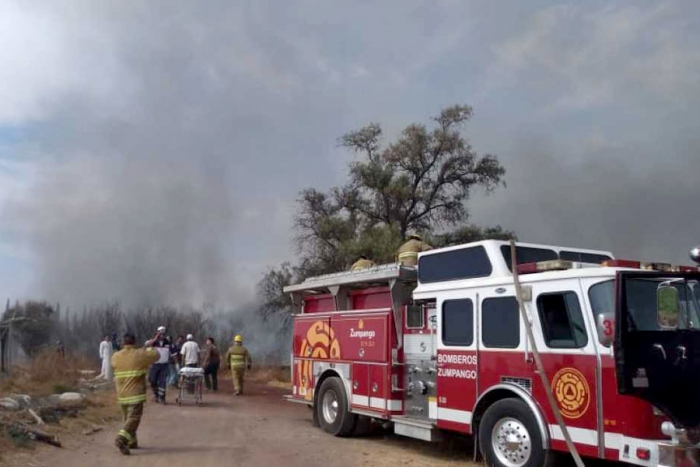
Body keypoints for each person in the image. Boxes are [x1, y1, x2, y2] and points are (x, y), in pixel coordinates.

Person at [111, 332, 160, 456]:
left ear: (123, 342)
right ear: (134, 342)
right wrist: (149, 346)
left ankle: (132, 442)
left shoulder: (116, 356)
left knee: (127, 419)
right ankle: (121, 439)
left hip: (121, 394)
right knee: (134, 418)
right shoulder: (139, 354)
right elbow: (156, 355)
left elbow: (116, 364)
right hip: (135, 393)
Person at [148, 326, 172, 403]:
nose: (162, 335)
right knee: (152, 380)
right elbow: (147, 345)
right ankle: (156, 395)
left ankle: (162, 398)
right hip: (154, 365)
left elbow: (173, 352)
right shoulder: (153, 342)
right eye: (160, 333)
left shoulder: (167, 342)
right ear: (157, 333)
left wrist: (177, 364)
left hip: (164, 365)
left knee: (163, 382)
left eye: (163, 333)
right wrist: (155, 338)